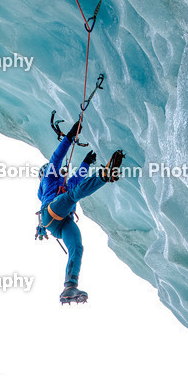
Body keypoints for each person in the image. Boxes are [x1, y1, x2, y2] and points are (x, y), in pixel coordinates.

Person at [38, 120, 124, 304]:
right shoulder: (49, 177)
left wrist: (86, 162)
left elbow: (77, 180)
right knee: (70, 197)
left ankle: (69, 287)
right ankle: (104, 175)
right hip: (51, 213)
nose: (61, 170)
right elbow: (56, 157)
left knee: (76, 247)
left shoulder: (64, 183)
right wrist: (70, 136)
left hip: (61, 223)